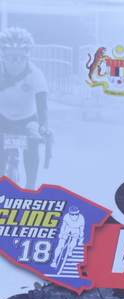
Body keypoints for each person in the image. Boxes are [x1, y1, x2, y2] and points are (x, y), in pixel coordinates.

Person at [0, 27, 49, 189]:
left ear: (27, 56)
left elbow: (42, 107)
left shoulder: (35, 75)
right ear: (3, 56)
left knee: (33, 143)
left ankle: (30, 187)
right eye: (11, 57)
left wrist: (44, 127)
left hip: (28, 118)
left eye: (20, 58)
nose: (15, 63)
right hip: (2, 117)